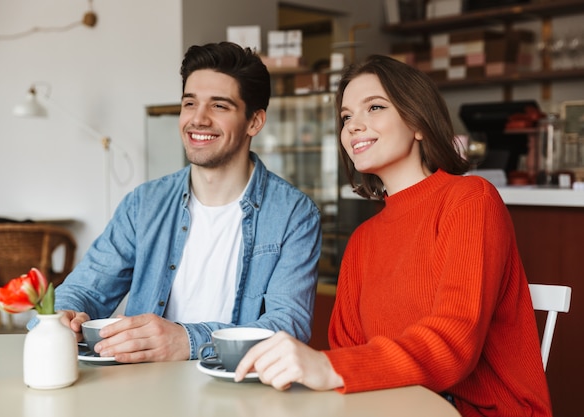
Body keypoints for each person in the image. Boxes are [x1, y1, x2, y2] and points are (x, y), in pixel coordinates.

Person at [235, 54, 552, 417]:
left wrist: (329, 367)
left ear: (418, 122)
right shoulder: (361, 241)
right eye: (346, 117)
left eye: (374, 107)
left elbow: (454, 343)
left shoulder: (470, 200)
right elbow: (350, 351)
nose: (354, 125)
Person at [51, 42, 322, 363]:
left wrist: (187, 341)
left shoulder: (294, 214)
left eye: (219, 106)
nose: (198, 119)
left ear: (255, 122)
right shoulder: (144, 204)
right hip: (145, 385)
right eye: (189, 103)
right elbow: (86, 290)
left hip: (237, 387)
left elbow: (287, 326)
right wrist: (65, 315)